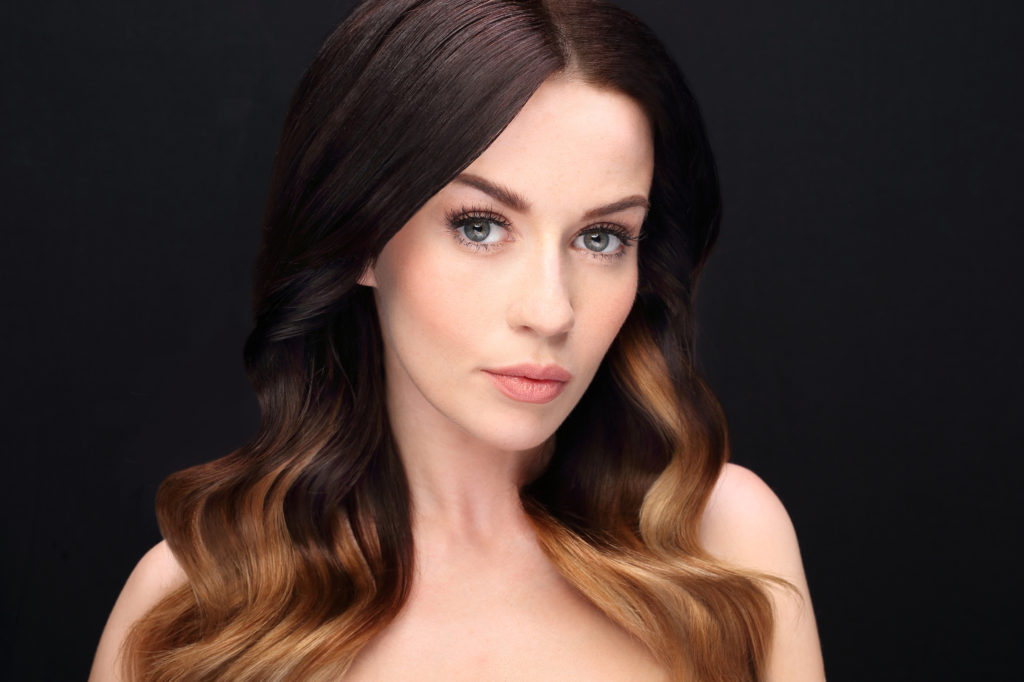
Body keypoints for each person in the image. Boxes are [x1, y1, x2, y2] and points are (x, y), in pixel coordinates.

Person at [90, 0, 825, 679]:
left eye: (602, 237)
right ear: (360, 238)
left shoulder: (724, 543)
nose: (551, 311)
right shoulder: (195, 610)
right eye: (480, 226)